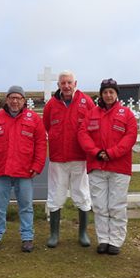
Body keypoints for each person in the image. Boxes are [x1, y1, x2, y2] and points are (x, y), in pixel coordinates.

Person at [0, 86, 47, 252]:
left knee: (26, 206)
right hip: (1, 170)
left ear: (24, 101)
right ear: (7, 99)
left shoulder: (33, 119)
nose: (15, 101)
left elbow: (40, 144)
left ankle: (27, 237)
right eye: (12, 98)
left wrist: (37, 165)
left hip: (24, 171)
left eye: (18, 98)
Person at [77, 78, 138, 255]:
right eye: (105, 92)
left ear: (116, 94)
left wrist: (112, 153)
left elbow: (130, 137)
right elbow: (83, 134)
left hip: (119, 167)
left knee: (117, 205)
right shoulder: (92, 114)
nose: (108, 95)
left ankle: (116, 240)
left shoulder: (126, 114)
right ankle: (103, 239)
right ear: (101, 94)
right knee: (100, 205)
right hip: (97, 166)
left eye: (111, 92)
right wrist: (96, 152)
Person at [42, 70, 94, 248]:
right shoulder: (51, 105)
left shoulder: (85, 102)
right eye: (63, 83)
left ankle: (83, 233)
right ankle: (54, 234)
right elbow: (47, 126)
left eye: (69, 82)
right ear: (58, 85)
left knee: (81, 193)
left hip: (80, 158)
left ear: (75, 83)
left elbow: (93, 125)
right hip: (58, 158)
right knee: (56, 194)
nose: (66, 86)